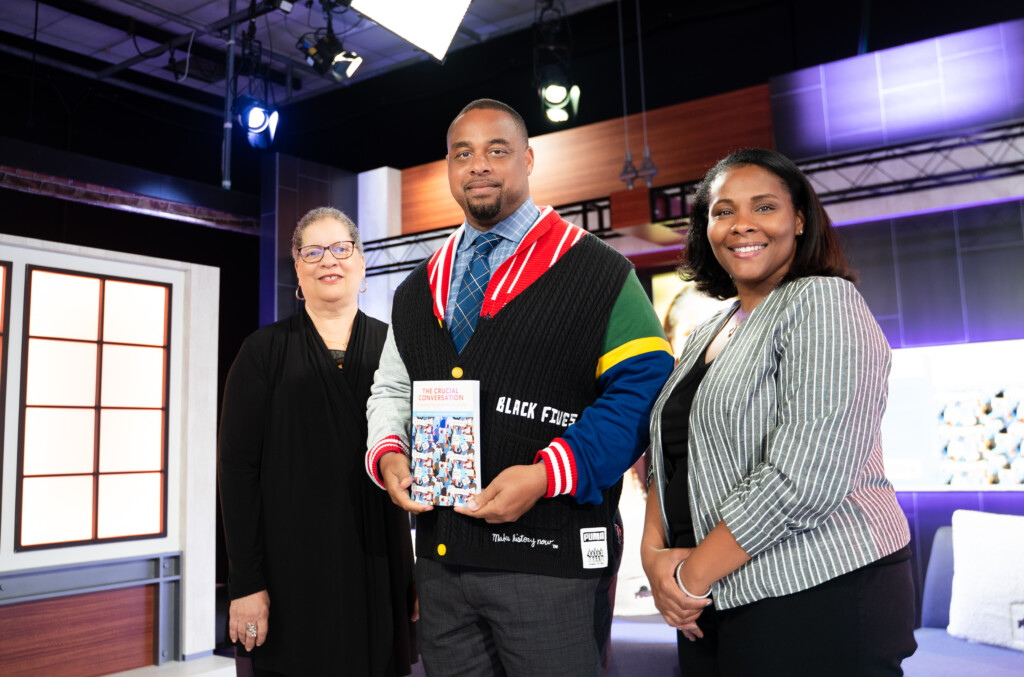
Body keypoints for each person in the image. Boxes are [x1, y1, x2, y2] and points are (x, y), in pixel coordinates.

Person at [364, 99, 675, 677]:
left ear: (529, 159)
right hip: (442, 567)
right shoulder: (415, 291)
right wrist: (390, 456)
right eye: (463, 153)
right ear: (449, 169)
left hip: (550, 566)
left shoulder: (600, 272)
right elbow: (391, 390)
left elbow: (643, 389)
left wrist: (545, 474)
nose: (478, 165)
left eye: (497, 150)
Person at [641, 148, 916, 676]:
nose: (742, 224)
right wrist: (654, 557)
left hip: (818, 587)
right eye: (723, 211)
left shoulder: (822, 301)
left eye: (763, 207)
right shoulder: (708, 329)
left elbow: (805, 475)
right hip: (714, 595)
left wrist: (691, 576)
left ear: (798, 220)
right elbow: (672, 453)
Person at [218, 207, 417, 676]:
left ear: (361, 263)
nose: (328, 260)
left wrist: (420, 573)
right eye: (312, 251)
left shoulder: (398, 347)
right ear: (298, 271)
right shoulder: (262, 352)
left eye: (341, 248)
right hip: (289, 568)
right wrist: (245, 583)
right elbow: (236, 471)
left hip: (377, 557)